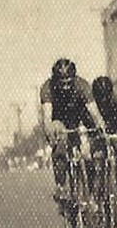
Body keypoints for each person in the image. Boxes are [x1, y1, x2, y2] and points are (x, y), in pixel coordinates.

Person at [39, 58, 107, 209]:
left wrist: (100, 126)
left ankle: (90, 191)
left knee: (88, 154)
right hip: (59, 119)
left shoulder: (82, 85)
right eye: (61, 83)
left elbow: (93, 111)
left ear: (74, 78)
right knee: (60, 147)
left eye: (68, 82)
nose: (65, 87)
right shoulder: (47, 88)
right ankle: (61, 185)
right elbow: (47, 117)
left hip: (78, 115)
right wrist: (51, 135)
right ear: (54, 80)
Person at [89, 75, 117, 194]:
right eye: (100, 96)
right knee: (96, 158)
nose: (103, 99)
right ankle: (96, 188)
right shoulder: (90, 97)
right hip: (96, 126)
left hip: (115, 124)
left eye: (106, 96)